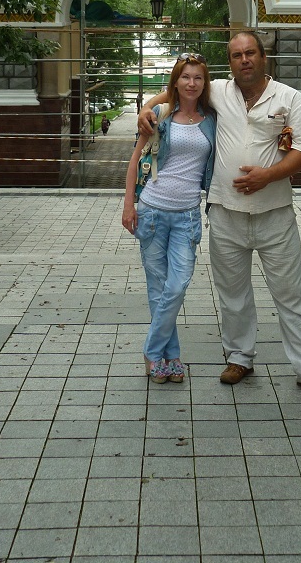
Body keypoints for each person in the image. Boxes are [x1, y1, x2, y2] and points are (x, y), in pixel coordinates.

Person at [139, 31, 301, 399]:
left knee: (291, 294)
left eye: (250, 53)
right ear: (230, 62)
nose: (244, 60)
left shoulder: (289, 98)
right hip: (226, 213)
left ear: (263, 57)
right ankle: (239, 358)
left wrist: (268, 176)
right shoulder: (218, 91)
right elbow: (178, 91)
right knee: (232, 294)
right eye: (236, 55)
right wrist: (146, 108)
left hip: (274, 213)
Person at [123, 52, 216, 384]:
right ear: (175, 81)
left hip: (187, 215)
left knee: (176, 286)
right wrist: (129, 205)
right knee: (158, 288)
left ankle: (151, 351)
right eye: (185, 77)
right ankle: (171, 356)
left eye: (198, 77)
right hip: (151, 211)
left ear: (205, 83)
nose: (192, 83)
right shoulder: (161, 115)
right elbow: (135, 159)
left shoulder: (211, 118)